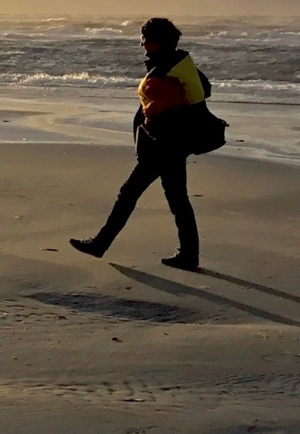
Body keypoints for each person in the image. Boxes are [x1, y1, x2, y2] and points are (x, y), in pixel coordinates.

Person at [70, 17, 207, 271]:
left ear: (158, 41)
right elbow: (200, 91)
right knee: (176, 198)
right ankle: (189, 255)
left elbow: (189, 102)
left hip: (165, 144)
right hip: (171, 143)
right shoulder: (177, 61)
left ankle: (100, 244)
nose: (142, 43)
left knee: (129, 193)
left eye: (146, 39)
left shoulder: (170, 65)